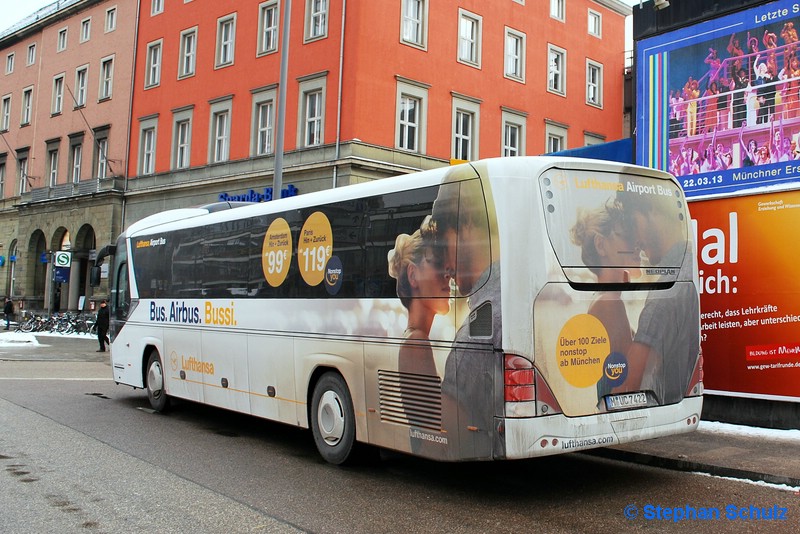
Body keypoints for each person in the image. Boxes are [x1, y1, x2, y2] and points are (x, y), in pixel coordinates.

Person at [429, 168, 500, 460]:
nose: (446, 266)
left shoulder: (476, 331)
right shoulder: (514, 293)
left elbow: (446, 439)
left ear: (467, 222)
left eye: (445, 242)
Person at [616, 188, 700, 405]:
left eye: (634, 223)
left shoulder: (668, 289)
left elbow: (627, 387)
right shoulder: (687, 268)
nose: (635, 241)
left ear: (652, 211)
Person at [387, 217, 451, 450]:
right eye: (437, 264)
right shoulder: (416, 342)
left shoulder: (415, 337)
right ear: (413, 276)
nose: (448, 275)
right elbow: (435, 425)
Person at [570, 201, 640, 400]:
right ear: (601, 245)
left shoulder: (604, 298)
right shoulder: (609, 302)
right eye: (627, 236)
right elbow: (631, 378)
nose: (637, 244)